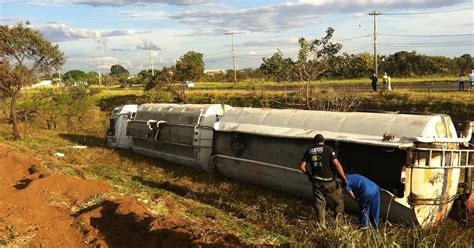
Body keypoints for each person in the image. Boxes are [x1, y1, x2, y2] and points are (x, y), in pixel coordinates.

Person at [299, 134, 348, 227]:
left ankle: (321, 226)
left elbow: (301, 167)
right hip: (329, 181)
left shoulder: (309, 151)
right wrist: (344, 177)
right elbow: (337, 164)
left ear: (314, 141)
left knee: (319, 204)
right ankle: (338, 225)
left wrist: (309, 175)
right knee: (338, 202)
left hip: (316, 182)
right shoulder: (328, 149)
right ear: (323, 141)